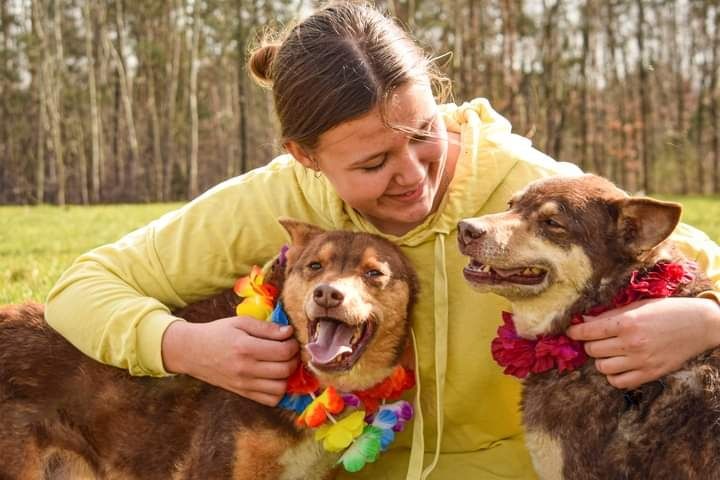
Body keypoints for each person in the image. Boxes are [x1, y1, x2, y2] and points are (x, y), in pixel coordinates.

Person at [45, 2, 720, 479]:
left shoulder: (528, 192)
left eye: (425, 134)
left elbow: (692, 266)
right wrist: (185, 345)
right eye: (371, 165)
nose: (411, 176)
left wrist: (703, 317)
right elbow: (82, 287)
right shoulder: (283, 197)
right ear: (305, 157)